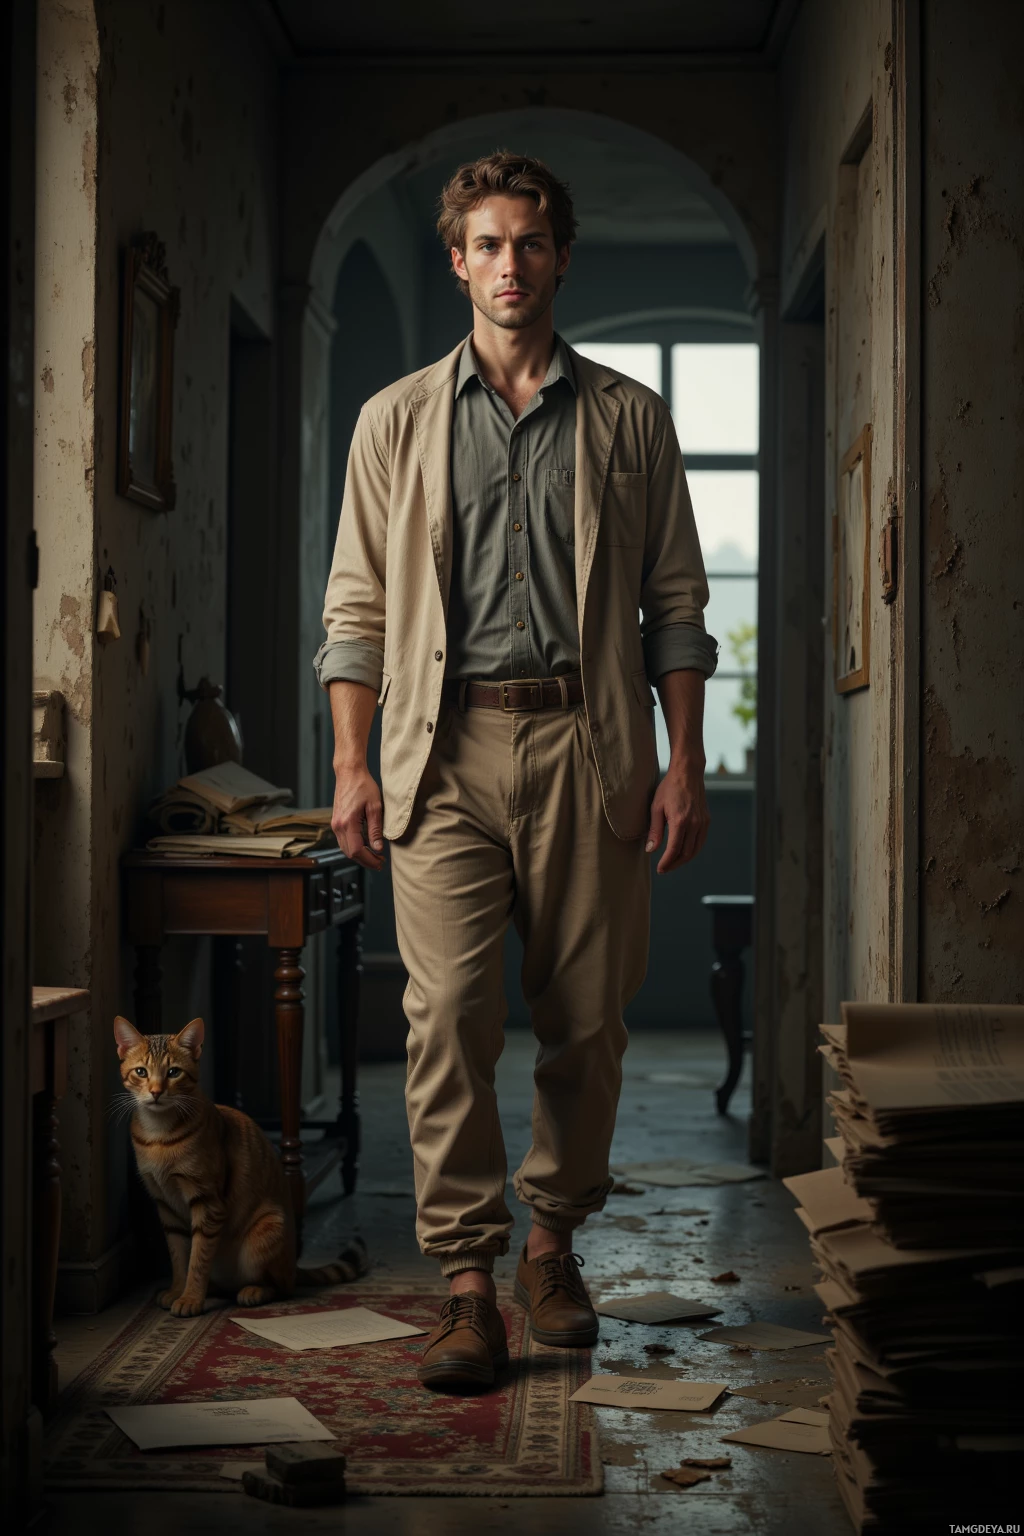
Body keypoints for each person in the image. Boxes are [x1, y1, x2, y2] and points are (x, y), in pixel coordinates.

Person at [315, 151, 717, 1393]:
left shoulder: (627, 419)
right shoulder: (394, 420)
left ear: (558, 257)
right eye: (485, 244)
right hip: (439, 751)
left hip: (590, 744)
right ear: (456, 261)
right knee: (445, 1018)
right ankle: (468, 1288)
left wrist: (683, 758)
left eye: (528, 243)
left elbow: (674, 606)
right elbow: (356, 608)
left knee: (588, 1019)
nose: (508, 264)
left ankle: (552, 1247)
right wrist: (350, 763)